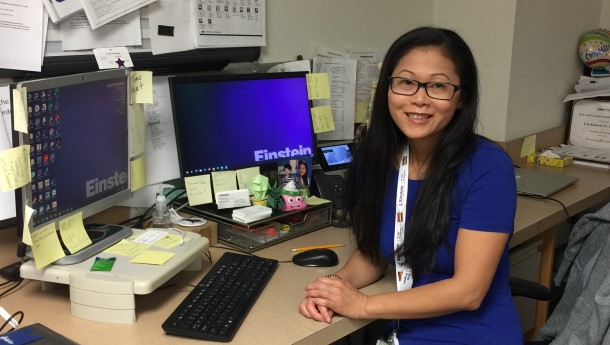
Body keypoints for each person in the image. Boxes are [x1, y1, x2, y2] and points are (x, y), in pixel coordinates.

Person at [298, 26, 521, 344]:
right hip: (401, 331)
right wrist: (331, 288)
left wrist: (362, 304)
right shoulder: (375, 159)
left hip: (472, 335)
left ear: (461, 98)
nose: (419, 99)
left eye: (439, 86)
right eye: (406, 82)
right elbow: (375, 255)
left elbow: (468, 291)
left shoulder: (487, 167)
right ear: (388, 88)